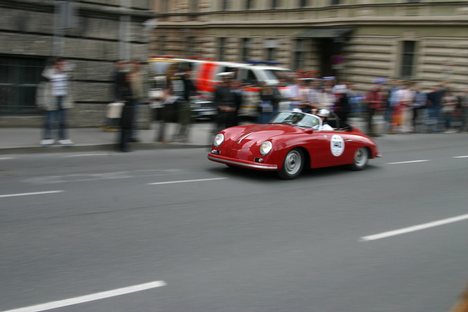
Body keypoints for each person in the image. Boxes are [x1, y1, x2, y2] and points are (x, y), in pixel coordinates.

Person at [37, 57, 74, 146]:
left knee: (63, 121)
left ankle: (63, 138)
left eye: (64, 64)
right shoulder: (48, 74)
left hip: (63, 99)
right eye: (61, 64)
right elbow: (42, 88)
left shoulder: (66, 74)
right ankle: (47, 138)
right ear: (56, 65)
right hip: (51, 99)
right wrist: (41, 101)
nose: (63, 66)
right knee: (49, 120)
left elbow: (71, 85)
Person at [128, 60, 145, 142]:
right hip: (131, 99)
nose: (138, 65)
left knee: (135, 119)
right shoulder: (130, 73)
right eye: (136, 63)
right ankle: (130, 136)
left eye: (139, 64)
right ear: (133, 64)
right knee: (131, 119)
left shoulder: (140, 74)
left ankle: (133, 136)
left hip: (137, 99)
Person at [117, 72, 134, 152]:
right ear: (125, 78)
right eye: (128, 77)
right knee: (124, 128)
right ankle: (123, 146)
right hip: (125, 109)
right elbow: (122, 97)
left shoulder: (129, 85)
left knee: (125, 128)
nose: (129, 78)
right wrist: (129, 98)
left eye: (130, 77)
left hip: (128, 109)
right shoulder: (124, 86)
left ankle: (123, 145)